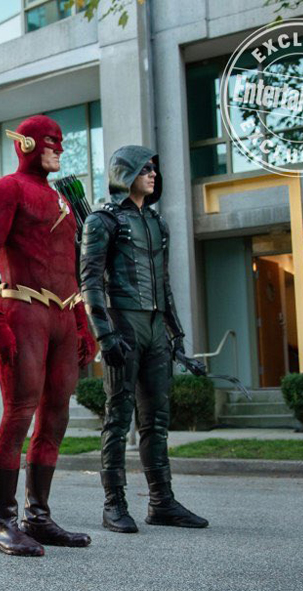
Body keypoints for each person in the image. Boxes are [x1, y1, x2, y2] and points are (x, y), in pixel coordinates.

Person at [0, 116, 97, 557]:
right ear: (25, 144)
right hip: (24, 310)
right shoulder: (5, 190)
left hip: (61, 315)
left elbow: (68, 268)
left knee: (56, 415)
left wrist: (82, 322)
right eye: (50, 141)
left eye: (61, 141)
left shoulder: (62, 199)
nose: (59, 148)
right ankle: (1, 522)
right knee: (20, 413)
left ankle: (37, 516)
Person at [79, 146, 208, 533]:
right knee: (118, 418)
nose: (153, 174)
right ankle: (113, 503)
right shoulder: (102, 221)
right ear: (125, 173)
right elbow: (89, 281)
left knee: (157, 421)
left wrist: (177, 335)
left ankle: (162, 502)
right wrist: (105, 335)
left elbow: (164, 284)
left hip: (155, 327)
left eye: (154, 168)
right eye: (145, 168)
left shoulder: (156, 223)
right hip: (123, 323)